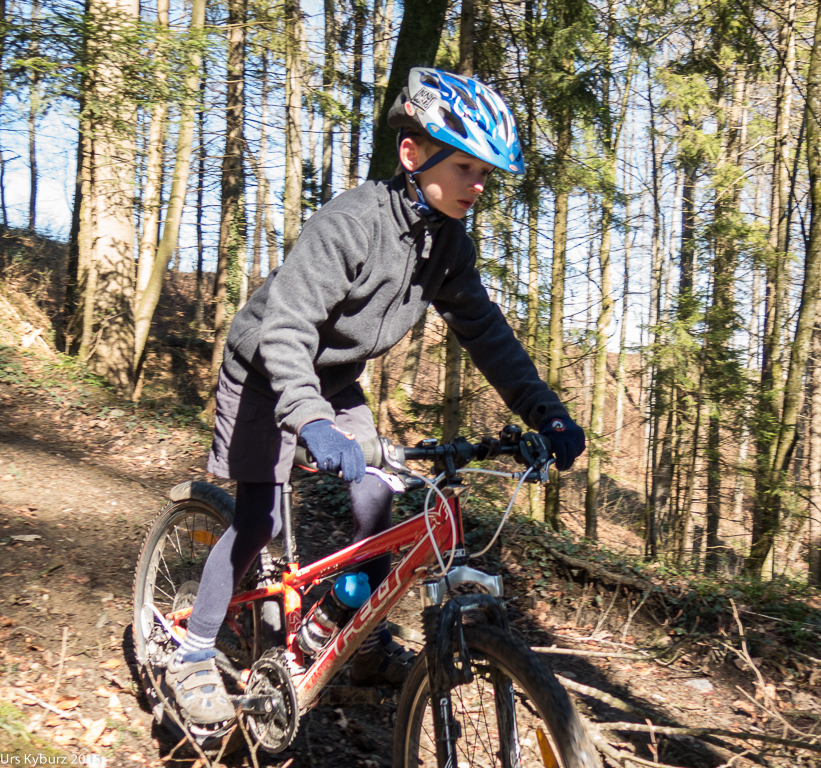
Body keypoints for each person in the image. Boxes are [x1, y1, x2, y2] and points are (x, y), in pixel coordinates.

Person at [165, 67, 586, 725]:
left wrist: (546, 411)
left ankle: (341, 634)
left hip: (332, 382)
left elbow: (486, 333)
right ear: (412, 154)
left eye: (485, 174)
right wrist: (310, 421)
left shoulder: (447, 245)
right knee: (259, 521)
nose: (478, 185)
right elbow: (287, 328)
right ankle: (190, 653)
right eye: (466, 168)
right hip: (267, 372)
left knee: (378, 500)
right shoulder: (352, 223)